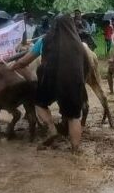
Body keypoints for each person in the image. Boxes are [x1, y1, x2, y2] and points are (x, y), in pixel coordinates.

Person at [11, 14, 88, 153]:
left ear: (54, 26)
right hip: (72, 83)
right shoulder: (79, 44)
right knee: (74, 117)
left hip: (50, 80)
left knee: (40, 104)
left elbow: (24, 61)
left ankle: (52, 128)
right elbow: (85, 66)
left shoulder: (44, 40)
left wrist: (11, 67)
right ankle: (75, 151)